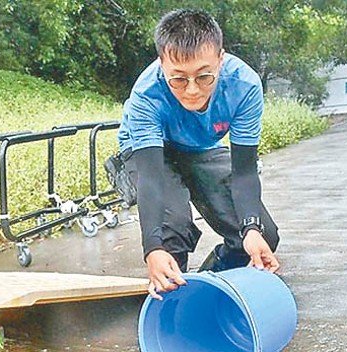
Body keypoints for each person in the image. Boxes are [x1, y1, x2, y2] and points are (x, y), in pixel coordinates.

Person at [113, 9, 280, 300]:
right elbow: (152, 179)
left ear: (221, 58)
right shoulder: (146, 95)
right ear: (161, 64)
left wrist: (251, 227)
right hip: (151, 151)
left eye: (204, 77)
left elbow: (244, 171)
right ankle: (169, 308)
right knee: (171, 231)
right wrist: (152, 248)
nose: (192, 90)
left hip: (200, 148)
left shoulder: (244, 86)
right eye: (178, 79)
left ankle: (208, 289)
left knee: (262, 235)